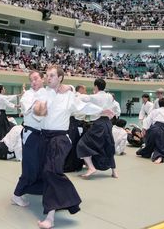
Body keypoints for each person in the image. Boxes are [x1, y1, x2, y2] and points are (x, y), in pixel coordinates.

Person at [34, 66, 111, 229]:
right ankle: (57, 207)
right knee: (48, 173)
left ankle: (51, 216)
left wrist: (101, 111)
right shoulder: (43, 92)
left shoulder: (69, 95)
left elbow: (83, 107)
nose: (49, 78)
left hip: (60, 138)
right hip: (44, 137)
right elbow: (37, 109)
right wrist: (38, 110)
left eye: (52, 75)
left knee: (51, 171)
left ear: (60, 78)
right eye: (47, 75)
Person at [12, 71, 47, 207]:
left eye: (36, 79)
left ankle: (37, 189)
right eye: (31, 80)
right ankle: (16, 194)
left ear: (42, 79)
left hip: (44, 134)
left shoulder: (48, 92)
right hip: (31, 133)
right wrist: (37, 102)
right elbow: (26, 107)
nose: (33, 82)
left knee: (42, 165)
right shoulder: (28, 94)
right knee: (30, 165)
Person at [77, 78, 118, 178]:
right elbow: (112, 108)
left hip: (99, 124)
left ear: (96, 86)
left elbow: (82, 98)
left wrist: (74, 93)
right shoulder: (109, 96)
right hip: (108, 123)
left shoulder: (94, 97)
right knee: (108, 145)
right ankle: (114, 171)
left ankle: (91, 167)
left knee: (82, 144)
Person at [136, 98, 164, 164]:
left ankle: (145, 153)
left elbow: (148, 120)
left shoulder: (155, 111)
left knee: (150, 143)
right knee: (162, 144)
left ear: (159, 104)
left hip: (153, 128)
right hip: (163, 128)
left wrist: (144, 129)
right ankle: (159, 156)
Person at [64, 85, 87, 172]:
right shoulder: (79, 97)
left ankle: (71, 164)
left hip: (71, 122)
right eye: (84, 90)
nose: (85, 92)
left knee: (71, 143)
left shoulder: (71, 98)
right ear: (80, 89)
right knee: (74, 144)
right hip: (75, 122)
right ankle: (72, 165)